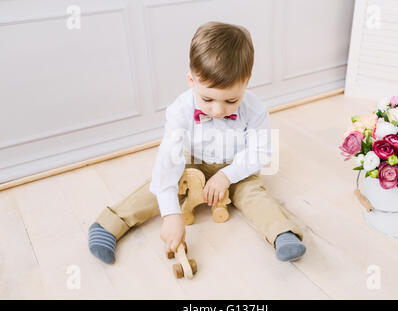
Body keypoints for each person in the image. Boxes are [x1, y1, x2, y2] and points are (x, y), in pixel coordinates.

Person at [88, 21, 306, 264]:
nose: (217, 110)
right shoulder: (179, 110)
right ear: (191, 80)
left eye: (231, 101)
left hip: (236, 167)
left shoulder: (255, 108)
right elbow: (167, 163)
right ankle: (109, 224)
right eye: (208, 99)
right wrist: (171, 215)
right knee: (155, 187)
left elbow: (259, 152)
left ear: (247, 81)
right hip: (191, 164)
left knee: (254, 194)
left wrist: (226, 175)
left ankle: (282, 233)